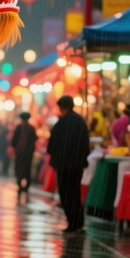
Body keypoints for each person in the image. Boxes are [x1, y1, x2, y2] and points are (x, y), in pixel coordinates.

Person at [46, 95, 90, 233]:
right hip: (77, 166)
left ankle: (72, 222)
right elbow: (85, 145)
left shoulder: (61, 124)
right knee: (74, 193)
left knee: (65, 194)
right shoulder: (80, 122)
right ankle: (78, 223)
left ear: (62, 108)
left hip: (64, 166)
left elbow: (51, 146)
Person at [10, 111, 38, 201]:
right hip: (28, 154)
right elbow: (34, 140)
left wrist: (15, 147)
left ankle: (20, 186)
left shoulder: (18, 127)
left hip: (20, 153)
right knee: (27, 170)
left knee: (19, 169)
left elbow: (13, 141)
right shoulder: (32, 128)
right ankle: (25, 187)